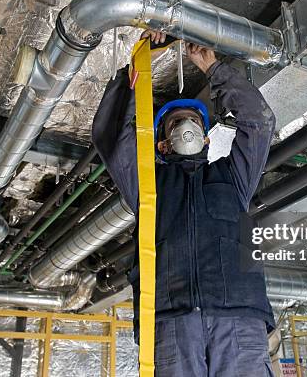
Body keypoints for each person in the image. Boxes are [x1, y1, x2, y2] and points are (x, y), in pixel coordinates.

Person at [92, 29, 276, 376]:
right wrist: (141, 62)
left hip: (237, 321)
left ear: (206, 139)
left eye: (193, 122)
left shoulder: (233, 178)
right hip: (171, 323)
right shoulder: (149, 186)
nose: (187, 127)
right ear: (162, 145)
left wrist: (213, 69)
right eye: (176, 124)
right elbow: (113, 137)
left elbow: (259, 123)